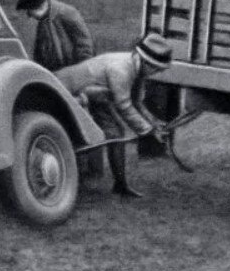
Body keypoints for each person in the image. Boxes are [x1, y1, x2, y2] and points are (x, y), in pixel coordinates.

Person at [55, 33, 173, 198]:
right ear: (147, 62)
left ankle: (120, 185)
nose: (157, 72)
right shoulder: (121, 69)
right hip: (66, 92)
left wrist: (154, 122)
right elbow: (124, 106)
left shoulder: (138, 69)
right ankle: (72, 183)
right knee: (80, 136)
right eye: (157, 68)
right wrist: (149, 131)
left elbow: (137, 102)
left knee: (115, 134)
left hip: (95, 96)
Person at [15, 0, 94, 72]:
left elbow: (84, 43)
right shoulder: (43, 20)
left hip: (72, 72)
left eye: (30, 11)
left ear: (39, 6)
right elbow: (40, 52)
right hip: (54, 72)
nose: (29, 15)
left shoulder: (67, 13)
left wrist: (82, 69)